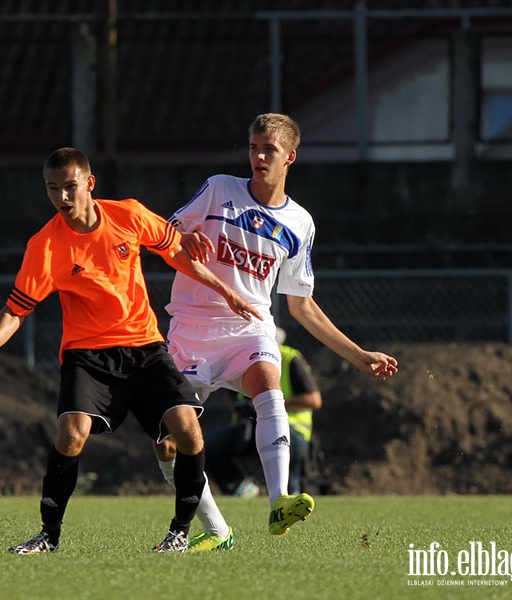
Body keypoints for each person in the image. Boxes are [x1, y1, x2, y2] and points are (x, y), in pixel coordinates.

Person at [0, 147, 261, 554]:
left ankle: (180, 532)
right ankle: (48, 536)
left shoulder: (128, 215)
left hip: (144, 347)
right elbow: (17, 309)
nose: (62, 199)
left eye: (69, 187)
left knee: (188, 431)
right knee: (71, 436)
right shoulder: (45, 245)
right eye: (53, 190)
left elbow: (177, 252)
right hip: (87, 355)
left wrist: (226, 290)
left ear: (89, 183)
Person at [154, 113, 398, 549]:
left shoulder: (300, 224)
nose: (259, 156)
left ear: (291, 157)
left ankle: (279, 501)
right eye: (253, 148)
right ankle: (216, 530)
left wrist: (360, 356)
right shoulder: (219, 189)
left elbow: (301, 306)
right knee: (170, 442)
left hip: (250, 328)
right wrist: (184, 236)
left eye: (269, 149)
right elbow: (166, 232)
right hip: (192, 330)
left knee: (269, 384)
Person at [204, 328, 323, 498]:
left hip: (290, 428)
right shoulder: (242, 356)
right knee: (206, 445)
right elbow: (229, 397)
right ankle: (240, 489)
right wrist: (241, 407)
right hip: (249, 426)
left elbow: (314, 399)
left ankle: (289, 492)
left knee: (288, 442)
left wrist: (271, 403)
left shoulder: (290, 358)